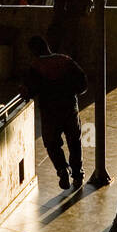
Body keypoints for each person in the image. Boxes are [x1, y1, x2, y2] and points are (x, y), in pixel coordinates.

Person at [20, 36, 86, 189]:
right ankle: (78, 175)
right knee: (74, 142)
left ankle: (62, 169)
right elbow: (83, 84)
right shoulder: (65, 60)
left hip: (50, 112)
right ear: (47, 46)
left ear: (32, 51)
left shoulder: (35, 67)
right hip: (70, 108)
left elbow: (29, 90)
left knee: (51, 143)